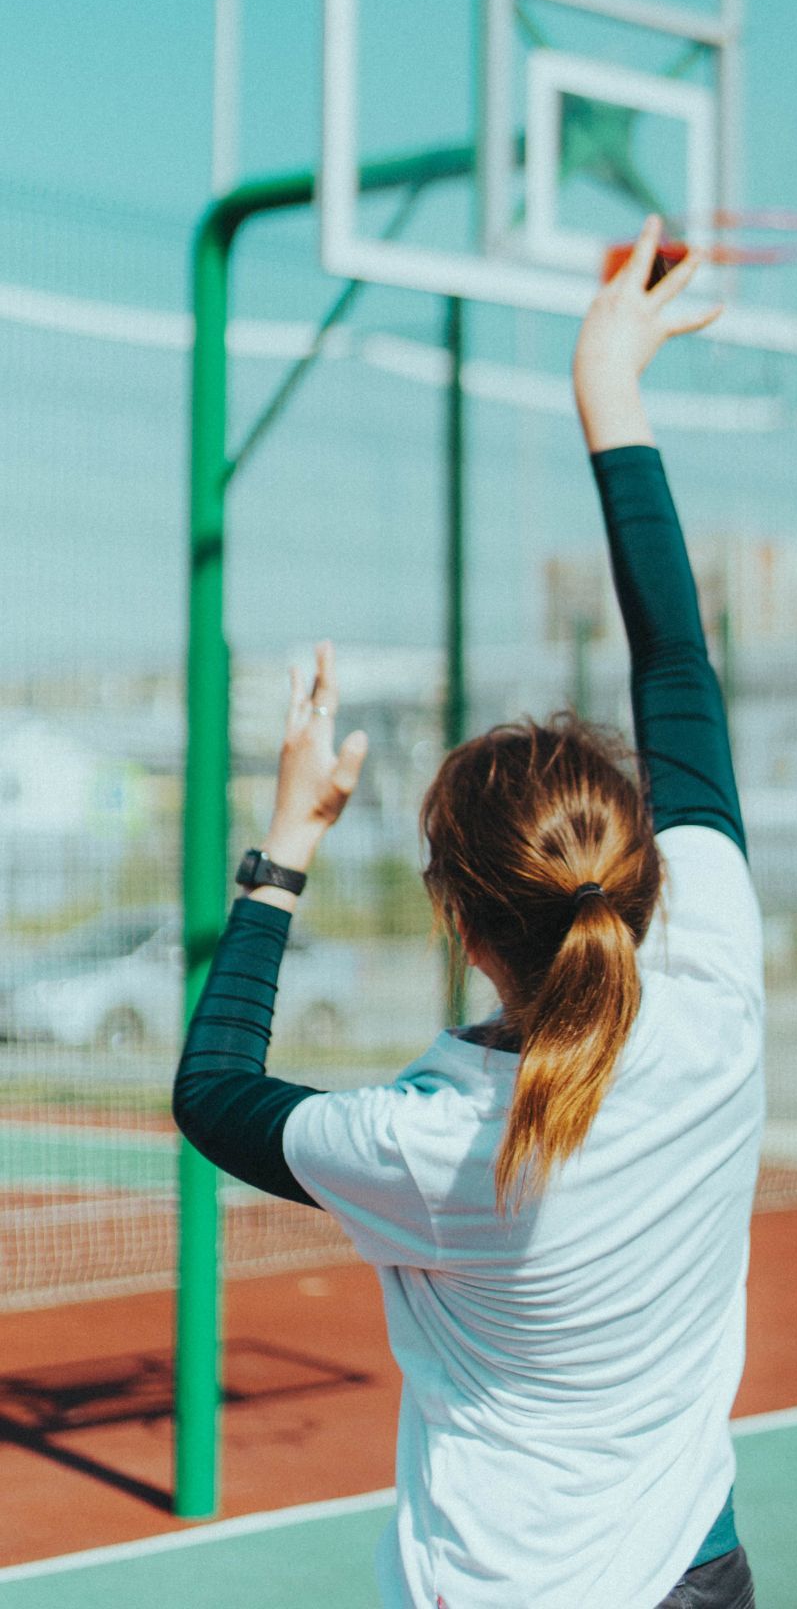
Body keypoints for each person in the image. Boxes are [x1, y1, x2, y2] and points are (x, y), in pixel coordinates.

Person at [173, 215, 764, 1609]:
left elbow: (212, 1094)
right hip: (699, 1576)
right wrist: (610, 386)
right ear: (634, 869)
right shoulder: (716, 989)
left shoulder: (430, 1153)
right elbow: (676, 662)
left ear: (456, 917)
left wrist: (283, 846)